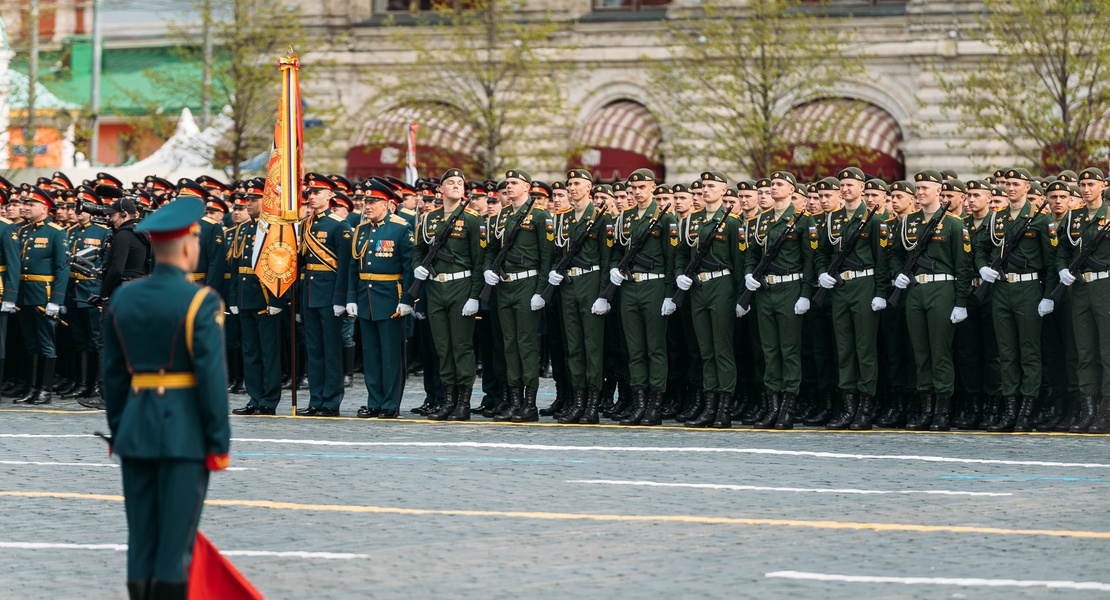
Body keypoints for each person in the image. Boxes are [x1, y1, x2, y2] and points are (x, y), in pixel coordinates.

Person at [102, 196, 231, 600]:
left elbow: (113, 377)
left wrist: (120, 430)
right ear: (190, 244)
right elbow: (212, 381)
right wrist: (218, 442)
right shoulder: (201, 300)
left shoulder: (124, 298)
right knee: (175, 544)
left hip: (136, 431)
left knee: (140, 539)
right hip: (184, 435)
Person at [890, 170, 973, 431]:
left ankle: (942, 412)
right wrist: (898, 275)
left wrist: (961, 302)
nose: (920, 191)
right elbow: (894, 254)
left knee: (940, 352)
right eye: (918, 187)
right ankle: (926, 410)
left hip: (943, 290)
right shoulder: (908, 223)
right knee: (921, 352)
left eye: (926, 187)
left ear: (939, 191)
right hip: (916, 290)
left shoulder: (953, 224)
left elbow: (963, 267)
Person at [975, 168, 1058, 432]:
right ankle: (1010, 410)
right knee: (1006, 352)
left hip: (1028, 289)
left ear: (1026, 187)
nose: (1010, 188)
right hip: (1001, 289)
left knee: (1029, 353)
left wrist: (1047, 297)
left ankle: (1026, 411)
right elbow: (980, 248)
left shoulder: (1041, 220)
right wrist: (981, 267)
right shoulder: (996, 218)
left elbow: (1052, 262)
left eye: (1015, 184)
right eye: (1007, 184)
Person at [815, 167, 890, 431]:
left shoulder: (873, 219)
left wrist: (881, 293)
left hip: (865, 284)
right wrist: (823, 273)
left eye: (851, 185)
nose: (845, 189)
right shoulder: (833, 219)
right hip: (840, 287)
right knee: (844, 347)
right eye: (842, 185)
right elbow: (822, 252)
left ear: (861, 188)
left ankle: (865, 408)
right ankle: (848, 406)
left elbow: (882, 261)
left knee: (864, 349)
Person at [741, 171, 815, 429]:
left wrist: (806, 294)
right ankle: (772, 406)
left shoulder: (803, 221)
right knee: (769, 350)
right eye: (772, 184)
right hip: (765, 291)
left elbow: (809, 261)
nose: (773, 188)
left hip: (790, 288)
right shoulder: (761, 221)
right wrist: (749, 273)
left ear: (792, 190)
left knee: (789, 350)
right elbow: (751, 252)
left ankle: (787, 408)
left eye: (779, 184)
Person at [412, 169, 486, 420]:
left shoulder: (473, 219)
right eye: (450, 182)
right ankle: (448, 399)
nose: (456, 186)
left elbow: (479, 261)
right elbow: (418, 250)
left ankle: (463, 403)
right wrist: (418, 267)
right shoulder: (429, 219)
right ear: (440, 189)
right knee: (442, 347)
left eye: (459, 183)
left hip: (461, 287)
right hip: (435, 288)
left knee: (461, 346)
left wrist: (475, 296)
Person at [483, 169, 554, 422]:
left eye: (514, 183)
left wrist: (541, 291)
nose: (509, 186)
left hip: (527, 283)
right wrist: (488, 271)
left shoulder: (540, 215)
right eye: (507, 183)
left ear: (527, 187)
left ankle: (529, 404)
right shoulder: (502, 216)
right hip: (505, 286)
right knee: (509, 345)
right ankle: (514, 401)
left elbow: (547, 256)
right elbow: (492, 249)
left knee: (525, 345)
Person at [676, 171, 743, 428]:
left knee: (722, 349)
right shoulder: (691, 221)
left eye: (711, 186)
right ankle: (709, 405)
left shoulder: (732, 222)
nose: (705, 190)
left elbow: (738, 263)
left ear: (724, 190)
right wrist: (681, 276)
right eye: (703, 186)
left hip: (722, 284)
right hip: (698, 286)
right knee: (706, 350)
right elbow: (682, 254)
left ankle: (723, 409)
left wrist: (739, 298)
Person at [546, 168, 612, 424]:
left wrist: (604, 294)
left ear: (589, 188)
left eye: (577, 184)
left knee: (591, 347)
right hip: (568, 285)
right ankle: (577, 400)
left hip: (591, 282)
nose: (572, 188)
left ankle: (592, 405)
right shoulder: (563, 219)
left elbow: (607, 260)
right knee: (573, 346)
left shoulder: (600, 217)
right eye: (569, 183)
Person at [348, 179, 414, 419]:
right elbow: (352, 267)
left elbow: (409, 268)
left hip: (390, 299)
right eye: (366, 201)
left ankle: (390, 404)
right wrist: (350, 297)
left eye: (373, 201)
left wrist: (407, 298)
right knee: (371, 355)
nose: (368, 206)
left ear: (386, 204)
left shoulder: (400, 228)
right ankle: (374, 401)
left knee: (390, 355)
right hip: (366, 298)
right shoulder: (361, 229)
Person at [228, 185, 289, 416]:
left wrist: (277, 299)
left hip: (265, 297)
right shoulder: (242, 229)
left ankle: (269, 399)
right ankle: (254, 397)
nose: (248, 203)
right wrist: (234, 297)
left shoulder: (275, 228)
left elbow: (283, 265)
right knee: (250, 351)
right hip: (245, 297)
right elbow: (234, 266)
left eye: (254, 199)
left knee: (268, 352)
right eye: (247, 199)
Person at [297, 173, 353, 417]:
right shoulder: (305, 225)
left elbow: (344, 267)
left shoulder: (339, 225)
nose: (311, 197)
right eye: (309, 193)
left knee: (330, 350)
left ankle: (330, 401)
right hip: (309, 294)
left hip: (330, 296)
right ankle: (315, 399)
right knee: (314, 349)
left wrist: (340, 298)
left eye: (317, 192)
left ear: (330, 195)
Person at [12, 186, 70, 405]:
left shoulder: (55, 232)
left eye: (30, 204)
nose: (25, 208)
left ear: (44, 207)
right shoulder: (24, 231)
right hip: (25, 294)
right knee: (30, 343)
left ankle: (45, 390)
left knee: (46, 343)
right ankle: (32, 387)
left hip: (43, 295)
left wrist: (56, 300)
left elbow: (62, 268)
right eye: (24, 204)